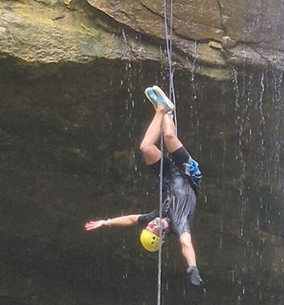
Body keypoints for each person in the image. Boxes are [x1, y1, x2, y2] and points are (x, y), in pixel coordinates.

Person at [85, 86, 204, 286]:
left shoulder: (152, 218)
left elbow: (132, 219)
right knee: (168, 137)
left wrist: (106, 222)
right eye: (152, 228)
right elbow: (185, 243)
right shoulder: (178, 223)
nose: (150, 224)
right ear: (162, 237)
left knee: (146, 148)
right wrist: (192, 266)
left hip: (167, 176)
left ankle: (163, 110)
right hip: (189, 176)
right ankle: (164, 110)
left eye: (148, 226)